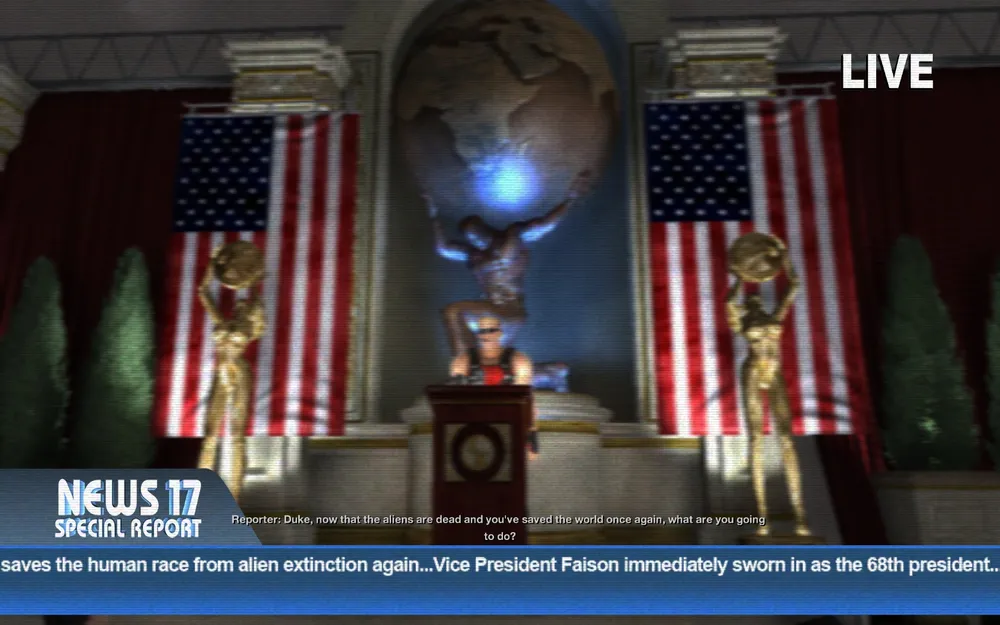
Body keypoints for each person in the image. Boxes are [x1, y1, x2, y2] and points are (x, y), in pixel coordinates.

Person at [427, 171, 592, 356]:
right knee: (493, 359)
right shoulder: (475, 255)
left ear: (485, 228)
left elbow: (544, 225)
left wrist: (570, 200)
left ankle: (465, 368)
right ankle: (554, 371)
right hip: (492, 310)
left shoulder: (513, 237)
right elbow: (443, 249)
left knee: (455, 312)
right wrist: (434, 217)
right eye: (471, 238)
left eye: (477, 234)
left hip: (508, 309)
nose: (476, 241)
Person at [725, 236, 809, 537]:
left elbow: (794, 285)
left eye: (756, 299)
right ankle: (762, 516)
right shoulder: (742, 323)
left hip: (774, 372)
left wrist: (783, 257)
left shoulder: (774, 318)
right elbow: (728, 303)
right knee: (756, 439)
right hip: (752, 371)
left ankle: (800, 517)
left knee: (787, 440)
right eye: (750, 301)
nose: (755, 300)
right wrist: (740, 277)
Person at [448, 314, 538, 459]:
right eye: (482, 331)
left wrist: (531, 438)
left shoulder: (518, 360)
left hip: (507, 421)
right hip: (474, 422)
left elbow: (526, 400)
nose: (486, 335)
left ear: (499, 333)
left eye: (490, 330)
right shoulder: (463, 360)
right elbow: (454, 400)